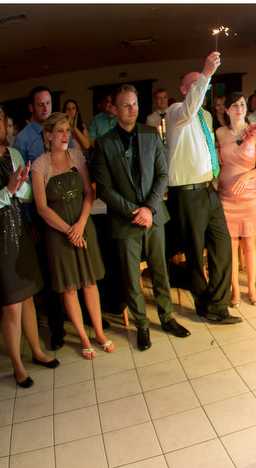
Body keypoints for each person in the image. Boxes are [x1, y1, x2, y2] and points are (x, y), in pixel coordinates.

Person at [0, 102, 59, 388]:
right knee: (13, 306)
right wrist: (7, 191)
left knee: (28, 298)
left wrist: (20, 187)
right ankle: (17, 365)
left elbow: (27, 195)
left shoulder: (14, 154)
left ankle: (37, 352)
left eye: (0, 119)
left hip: (21, 236)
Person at [94, 84, 191, 350]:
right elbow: (104, 188)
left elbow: (162, 174)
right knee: (131, 276)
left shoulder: (150, 134)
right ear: (115, 109)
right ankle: (141, 325)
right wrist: (133, 212)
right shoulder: (104, 143)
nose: (131, 109)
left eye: (135, 104)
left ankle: (167, 317)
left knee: (160, 270)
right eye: (126, 105)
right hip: (124, 220)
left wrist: (149, 208)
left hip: (154, 216)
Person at [165, 51, 241, 325]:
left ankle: (219, 304)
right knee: (195, 253)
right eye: (196, 84)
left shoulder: (206, 117)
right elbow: (189, 107)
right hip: (187, 193)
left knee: (222, 246)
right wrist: (206, 73)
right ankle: (204, 304)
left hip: (209, 190)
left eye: (204, 85)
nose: (203, 89)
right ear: (184, 89)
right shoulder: (176, 112)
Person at [32, 112, 112, 359]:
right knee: (69, 287)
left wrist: (80, 225)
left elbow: (89, 192)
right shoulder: (39, 165)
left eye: (67, 130)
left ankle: (99, 333)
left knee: (90, 282)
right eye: (60, 131)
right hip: (58, 234)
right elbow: (41, 208)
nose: (65, 135)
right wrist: (69, 230)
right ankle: (84, 338)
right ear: (48, 135)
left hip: (83, 226)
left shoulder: (77, 156)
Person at [14, 85, 68, 350]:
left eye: (48, 103)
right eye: (40, 104)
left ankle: (80, 317)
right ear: (31, 108)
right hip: (40, 213)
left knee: (70, 265)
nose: (45, 108)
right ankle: (57, 328)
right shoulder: (23, 140)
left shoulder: (61, 130)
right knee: (50, 272)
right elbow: (21, 186)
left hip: (65, 207)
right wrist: (29, 222)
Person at [214, 92, 256, 307]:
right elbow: (217, 164)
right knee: (231, 245)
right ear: (226, 110)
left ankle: (251, 288)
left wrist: (246, 176)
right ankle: (235, 290)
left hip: (249, 196)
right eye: (234, 105)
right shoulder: (220, 133)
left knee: (250, 244)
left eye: (243, 104)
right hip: (226, 197)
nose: (239, 108)